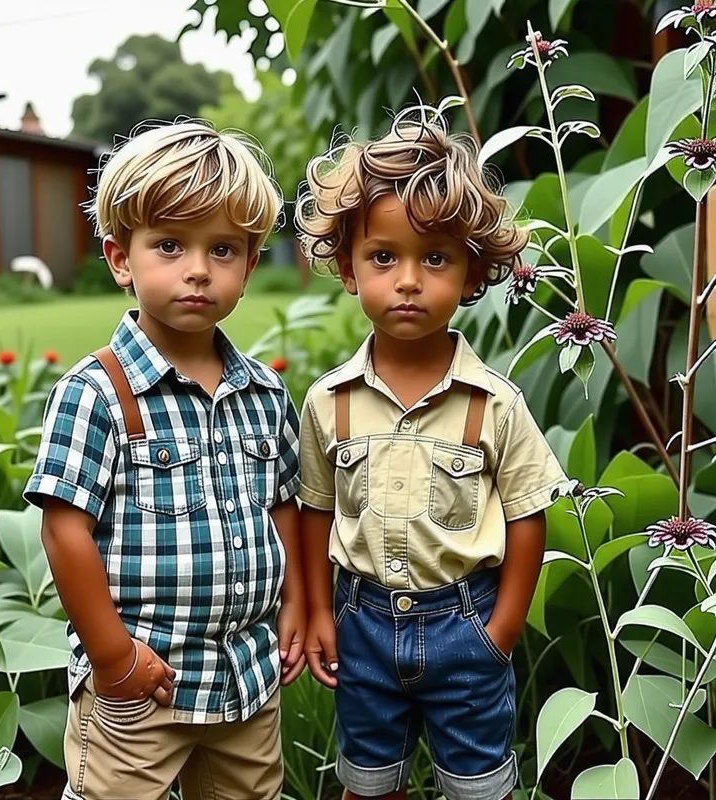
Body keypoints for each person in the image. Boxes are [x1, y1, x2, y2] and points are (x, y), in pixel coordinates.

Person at [24, 120, 305, 800]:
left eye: (225, 249)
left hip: (245, 680)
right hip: (143, 687)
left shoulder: (264, 393)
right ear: (122, 258)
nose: (199, 269)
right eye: (170, 245)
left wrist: (295, 599)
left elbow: (282, 504)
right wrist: (113, 659)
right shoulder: (97, 394)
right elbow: (65, 532)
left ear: (251, 260)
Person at [294, 105, 567, 800]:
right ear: (349, 269)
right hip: (362, 626)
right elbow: (314, 511)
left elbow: (528, 515)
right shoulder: (331, 402)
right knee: (367, 779)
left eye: (435, 258)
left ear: (471, 276)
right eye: (384, 257)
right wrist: (323, 612)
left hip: (465, 625)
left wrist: (500, 632)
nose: (408, 280)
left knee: (478, 785)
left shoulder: (494, 405)